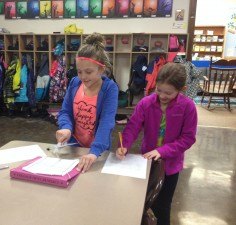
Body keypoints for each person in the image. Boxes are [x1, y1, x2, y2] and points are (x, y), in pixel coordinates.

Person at [116, 62, 197, 225]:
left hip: (171, 166)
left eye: (168, 93)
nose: (162, 96)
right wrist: (124, 144)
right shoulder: (146, 103)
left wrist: (163, 151)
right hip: (147, 163)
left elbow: (188, 138)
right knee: (141, 203)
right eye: (159, 90)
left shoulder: (188, 107)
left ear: (182, 89)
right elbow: (133, 126)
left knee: (163, 207)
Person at [56, 32, 119, 173]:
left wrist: (94, 152)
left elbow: (106, 123)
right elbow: (65, 111)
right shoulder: (74, 83)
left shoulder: (110, 89)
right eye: (79, 71)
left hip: (97, 151)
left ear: (101, 69)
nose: (83, 77)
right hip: (74, 147)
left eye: (88, 72)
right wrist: (66, 127)